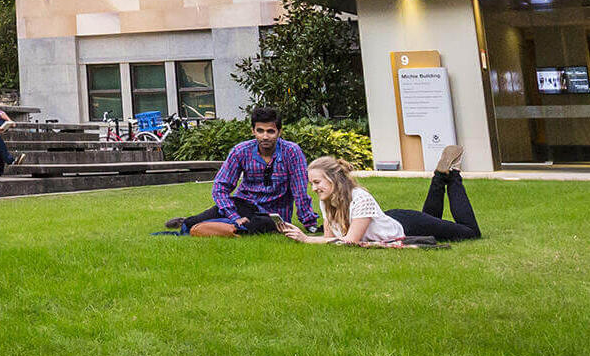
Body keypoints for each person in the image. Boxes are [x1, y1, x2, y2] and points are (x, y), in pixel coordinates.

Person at [161, 107, 321, 237]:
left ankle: (213, 228)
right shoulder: (241, 151)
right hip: (243, 204)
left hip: (273, 214)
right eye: (260, 130)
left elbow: (299, 191)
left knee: (259, 226)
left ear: (279, 132)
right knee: (196, 221)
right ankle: (190, 223)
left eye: (270, 131)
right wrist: (234, 216)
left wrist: (309, 224)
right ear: (253, 131)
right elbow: (220, 187)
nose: (265, 136)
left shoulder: (292, 152)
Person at [281, 150, 482, 245]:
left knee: (470, 233)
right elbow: (330, 240)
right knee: (435, 221)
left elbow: (349, 242)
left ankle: (452, 174)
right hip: (388, 221)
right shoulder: (327, 200)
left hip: (408, 225)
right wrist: (303, 236)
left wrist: (306, 239)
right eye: (312, 183)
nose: (314, 188)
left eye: (317, 182)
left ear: (334, 179)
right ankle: (440, 176)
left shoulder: (359, 197)